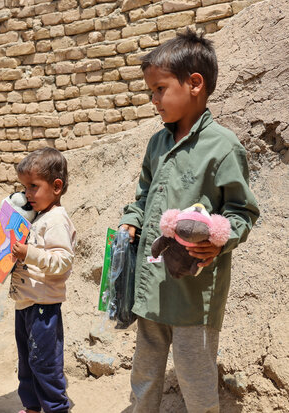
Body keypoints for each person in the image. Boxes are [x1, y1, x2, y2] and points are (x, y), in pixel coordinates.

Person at [118, 30, 259, 413]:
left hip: (193, 295)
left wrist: (219, 239)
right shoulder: (156, 144)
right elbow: (143, 197)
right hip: (151, 289)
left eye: (159, 89)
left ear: (194, 83)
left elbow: (242, 212)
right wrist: (131, 222)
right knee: (144, 378)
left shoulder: (223, 146)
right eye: (150, 92)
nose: (153, 100)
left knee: (196, 383)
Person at [7, 147, 76, 413]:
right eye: (24, 187)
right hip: (25, 303)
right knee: (27, 362)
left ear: (56, 186)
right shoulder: (36, 218)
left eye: (33, 186)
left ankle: (56, 408)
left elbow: (62, 262)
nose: (27, 194)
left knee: (44, 363)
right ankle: (33, 407)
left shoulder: (57, 220)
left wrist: (28, 252)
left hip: (44, 306)